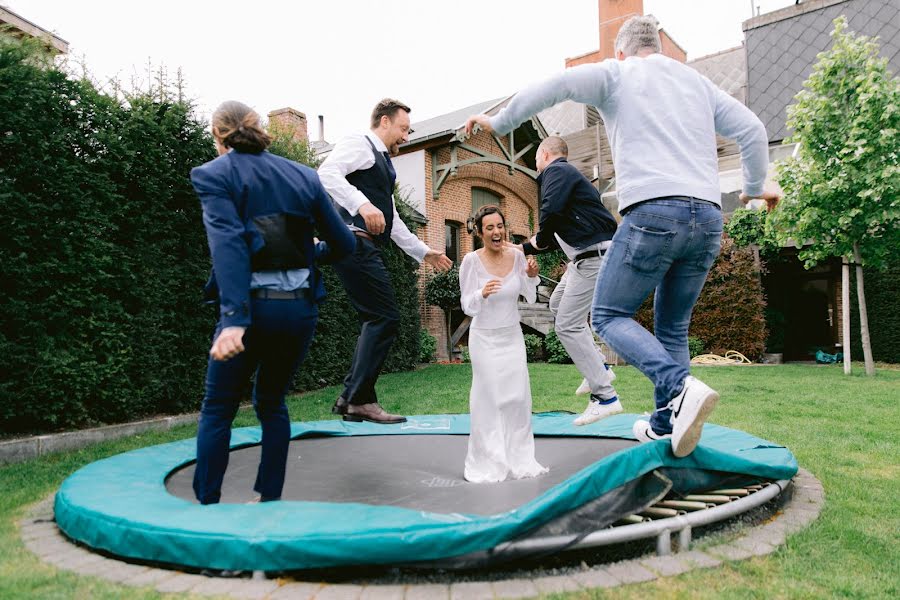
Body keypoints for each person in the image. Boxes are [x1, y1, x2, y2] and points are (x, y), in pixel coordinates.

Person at [465, 16, 780, 457]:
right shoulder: (694, 82)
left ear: (620, 52)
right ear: (661, 50)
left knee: (607, 316)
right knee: (673, 327)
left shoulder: (617, 74)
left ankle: (678, 387)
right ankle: (665, 426)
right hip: (707, 217)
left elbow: (554, 85)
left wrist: (501, 121)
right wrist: (751, 187)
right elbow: (753, 130)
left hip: (654, 211)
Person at [190, 101, 355, 505]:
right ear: (259, 129)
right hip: (297, 313)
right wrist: (311, 250)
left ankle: (207, 507)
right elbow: (345, 244)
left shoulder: (215, 174)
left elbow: (227, 245)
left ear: (217, 136)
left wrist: (233, 320)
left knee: (218, 407)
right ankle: (269, 500)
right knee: (271, 402)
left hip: (249, 312)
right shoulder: (302, 175)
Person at [319, 98, 452, 424]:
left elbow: (391, 218)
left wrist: (424, 251)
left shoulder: (382, 163)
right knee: (385, 318)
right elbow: (326, 173)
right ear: (384, 122)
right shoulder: (360, 144)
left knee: (377, 319)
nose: (406, 137)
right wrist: (362, 205)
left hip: (364, 245)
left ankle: (351, 398)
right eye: (404, 129)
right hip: (355, 242)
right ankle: (358, 399)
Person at [514, 135, 621, 426]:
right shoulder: (565, 175)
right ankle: (599, 366)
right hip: (583, 260)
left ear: (544, 153)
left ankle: (605, 396)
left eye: (536, 157)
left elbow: (551, 212)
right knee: (558, 305)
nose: (536, 164)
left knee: (567, 324)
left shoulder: (556, 171)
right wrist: (524, 248)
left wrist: (534, 242)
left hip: (593, 259)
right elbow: (554, 225)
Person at [459, 205, 548, 483]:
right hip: (484, 337)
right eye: (490, 228)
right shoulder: (471, 261)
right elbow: (466, 304)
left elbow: (529, 295)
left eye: (500, 226)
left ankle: (518, 458)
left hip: (511, 336)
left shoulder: (518, 255)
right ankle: (489, 460)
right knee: (488, 398)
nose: (497, 232)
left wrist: (531, 277)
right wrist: (480, 293)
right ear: (479, 232)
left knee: (517, 398)